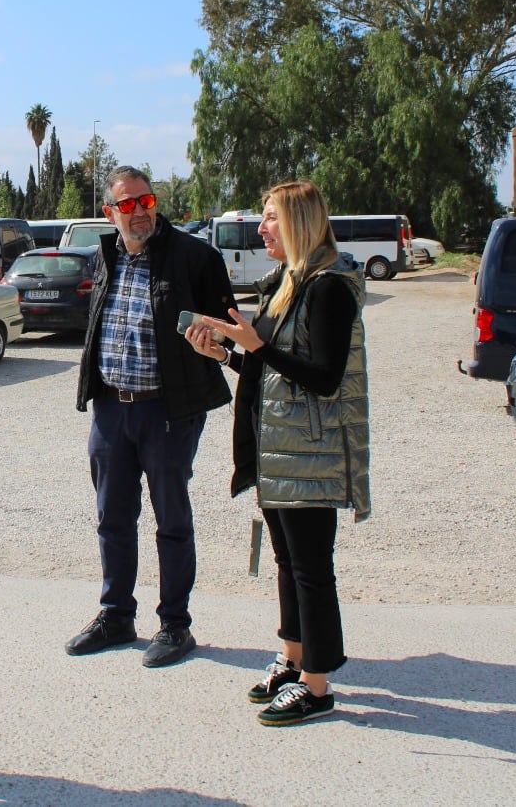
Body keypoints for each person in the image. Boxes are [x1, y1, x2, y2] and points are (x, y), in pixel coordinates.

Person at [185, 181, 370, 726]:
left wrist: (258, 347)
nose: (260, 228)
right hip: (279, 452)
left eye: (269, 218)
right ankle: (292, 659)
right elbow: (272, 376)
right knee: (288, 563)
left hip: (308, 455)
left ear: (297, 222)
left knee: (313, 569)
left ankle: (317, 685)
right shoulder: (287, 283)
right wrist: (225, 354)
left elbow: (326, 379)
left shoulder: (327, 288)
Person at [68, 167, 236, 668]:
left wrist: (216, 343)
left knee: (171, 520)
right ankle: (116, 615)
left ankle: (175, 625)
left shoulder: (195, 257)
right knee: (112, 518)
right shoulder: (104, 256)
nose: (139, 211)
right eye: (127, 204)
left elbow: (230, 329)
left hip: (168, 411)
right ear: (109, 212)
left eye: (146, 201)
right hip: (110, 411)